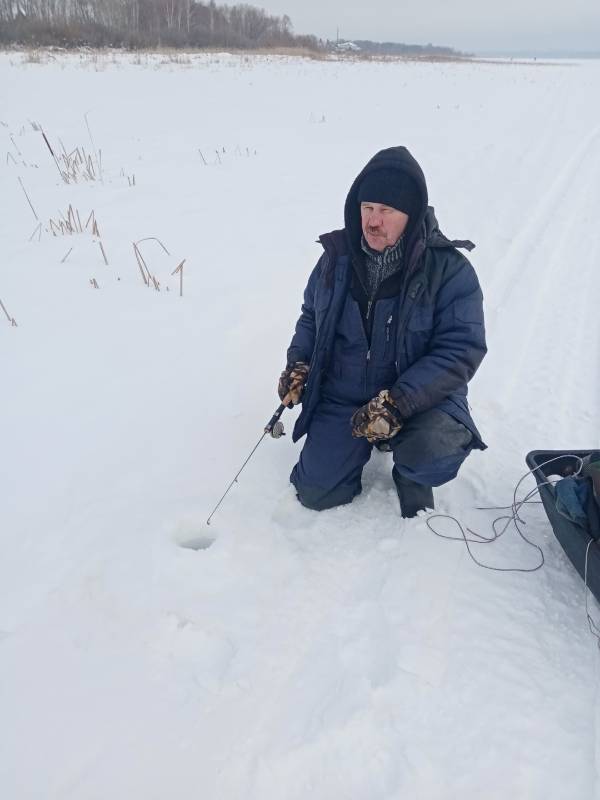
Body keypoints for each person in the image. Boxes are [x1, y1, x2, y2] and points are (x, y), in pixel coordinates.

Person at [278, 146, 487, 518]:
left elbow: (461, 348)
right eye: (367, 209)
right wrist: (299, 363)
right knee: (315, 493)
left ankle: (409, 469)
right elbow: (312, 316)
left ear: (410, 215)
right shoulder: (334, 259)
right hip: (345, 395)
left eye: (386, 211)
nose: (373, 221)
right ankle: (361, 441)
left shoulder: (449, 271)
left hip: (417, 398)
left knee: (432, 449)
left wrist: (398, 402)